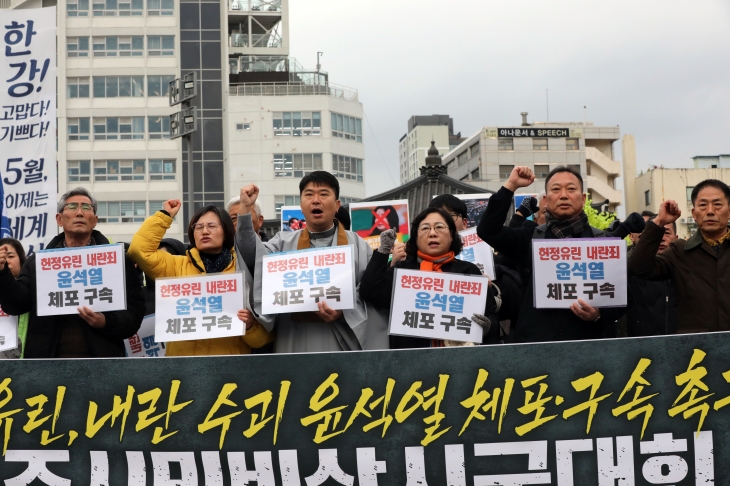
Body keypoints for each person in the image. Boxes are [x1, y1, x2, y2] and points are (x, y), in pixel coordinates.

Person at [236, 171, 389, 352]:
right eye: (309, 195)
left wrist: (345, 310)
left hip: (342, 341)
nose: (316, 200)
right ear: (301, 205)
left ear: (337, 205)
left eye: (324, 194)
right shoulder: (282, 243)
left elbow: (371, 293)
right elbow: (252, 256)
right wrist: (245, 211)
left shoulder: (358, 245)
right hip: (294, 340)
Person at [477, 166, 624, 343]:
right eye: (556, 189)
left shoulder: (602, 242)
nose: (563, 195)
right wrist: (511, 185)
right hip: (537, 350)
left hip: (589, 347)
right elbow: (488, 230)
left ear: (583, 198)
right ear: (545, 200)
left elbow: (625, 293)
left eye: (571, 189)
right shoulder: (529, 237)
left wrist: (599, 314)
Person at [0, 188, 145, 358]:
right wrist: (3, 273)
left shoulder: (117, 261)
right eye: (72, 206)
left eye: (86, 208)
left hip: (103, 365)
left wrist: (106, 322)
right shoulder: (38, 263)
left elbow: (135, 314)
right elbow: (17, 305)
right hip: (47, 366)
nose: (79, 213)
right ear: (59, 219)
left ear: (95, 220)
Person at [128, 201, 273, 356]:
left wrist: (250, 325)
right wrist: (165, 216)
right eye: (198, 227)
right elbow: (139, 251)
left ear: (226, 231)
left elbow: (263, 339)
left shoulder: (243, 270)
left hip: (229, 372)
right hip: (183, 371)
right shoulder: (177, 267)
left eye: (211, 226)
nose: (204, 231)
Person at [360, 208, 498, 348]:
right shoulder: (402, 271)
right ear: (415, 238)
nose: (432, 233)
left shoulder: (469, 271)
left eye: (439, 227)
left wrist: (486, 328)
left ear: (451, 235)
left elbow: (491, 316)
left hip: (460, 360)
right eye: (425, 228)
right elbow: (370, 290)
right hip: (413, 359)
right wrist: (383, 251)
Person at [629, 179, 730, 333]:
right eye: (703, 205)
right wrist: (659, 222)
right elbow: (640, 268)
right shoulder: (680, 251)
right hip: (696, 349)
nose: (710, 211)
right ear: (694, 214)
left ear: (729, 211)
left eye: (717, 204)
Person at [622, 220, 678, 336]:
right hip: (641, 347)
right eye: (656, 234)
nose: (662, 238)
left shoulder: (684, 268)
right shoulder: (628, 270)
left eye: (667, 233)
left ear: (676, 238)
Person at [0, 238, 28, 358]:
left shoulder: (31, 289)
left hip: (23, 361)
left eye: (10, 256)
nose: (5, 262)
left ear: (21, 260)